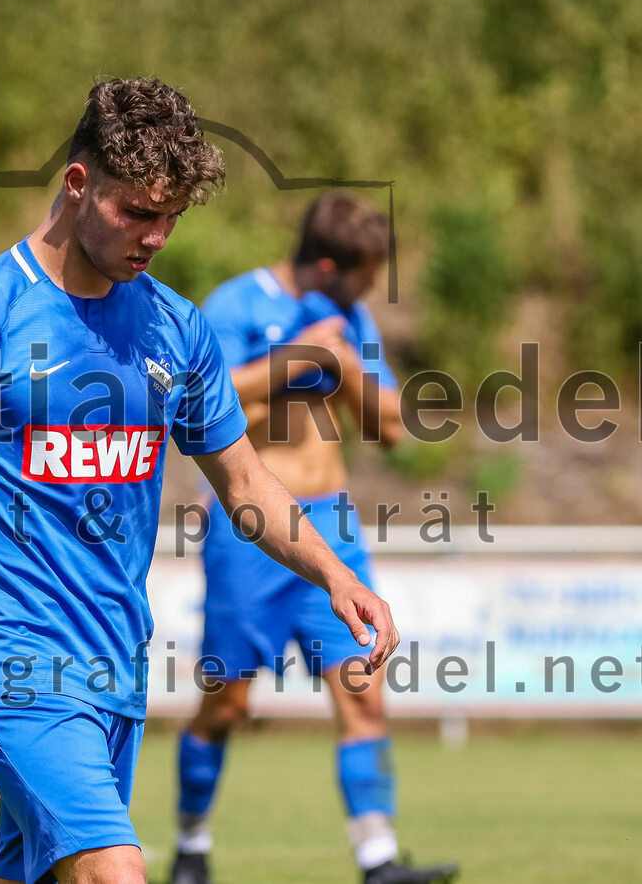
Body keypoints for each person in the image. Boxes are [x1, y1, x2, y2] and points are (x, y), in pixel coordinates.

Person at [0, 78, 399, 884]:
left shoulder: (175, 328)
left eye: (172, 217)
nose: (158, 236)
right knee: (116, 872)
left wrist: (335, 574)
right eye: (139, 213)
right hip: (7, 657)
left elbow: (246, 484)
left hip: (116, 666)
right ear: (78, 185)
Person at [170, 192, 458, 884]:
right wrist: (295, 359)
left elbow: (389, 427)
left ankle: (378, 856)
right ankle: (192, 845)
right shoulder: (237, 305)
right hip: (250, 527)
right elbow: (201, 402)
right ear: (329, 264)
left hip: (331, 522)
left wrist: (344, 362)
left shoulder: (349, 319)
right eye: (363, 274)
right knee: (229, 700)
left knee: (362, 683)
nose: (369, 289)